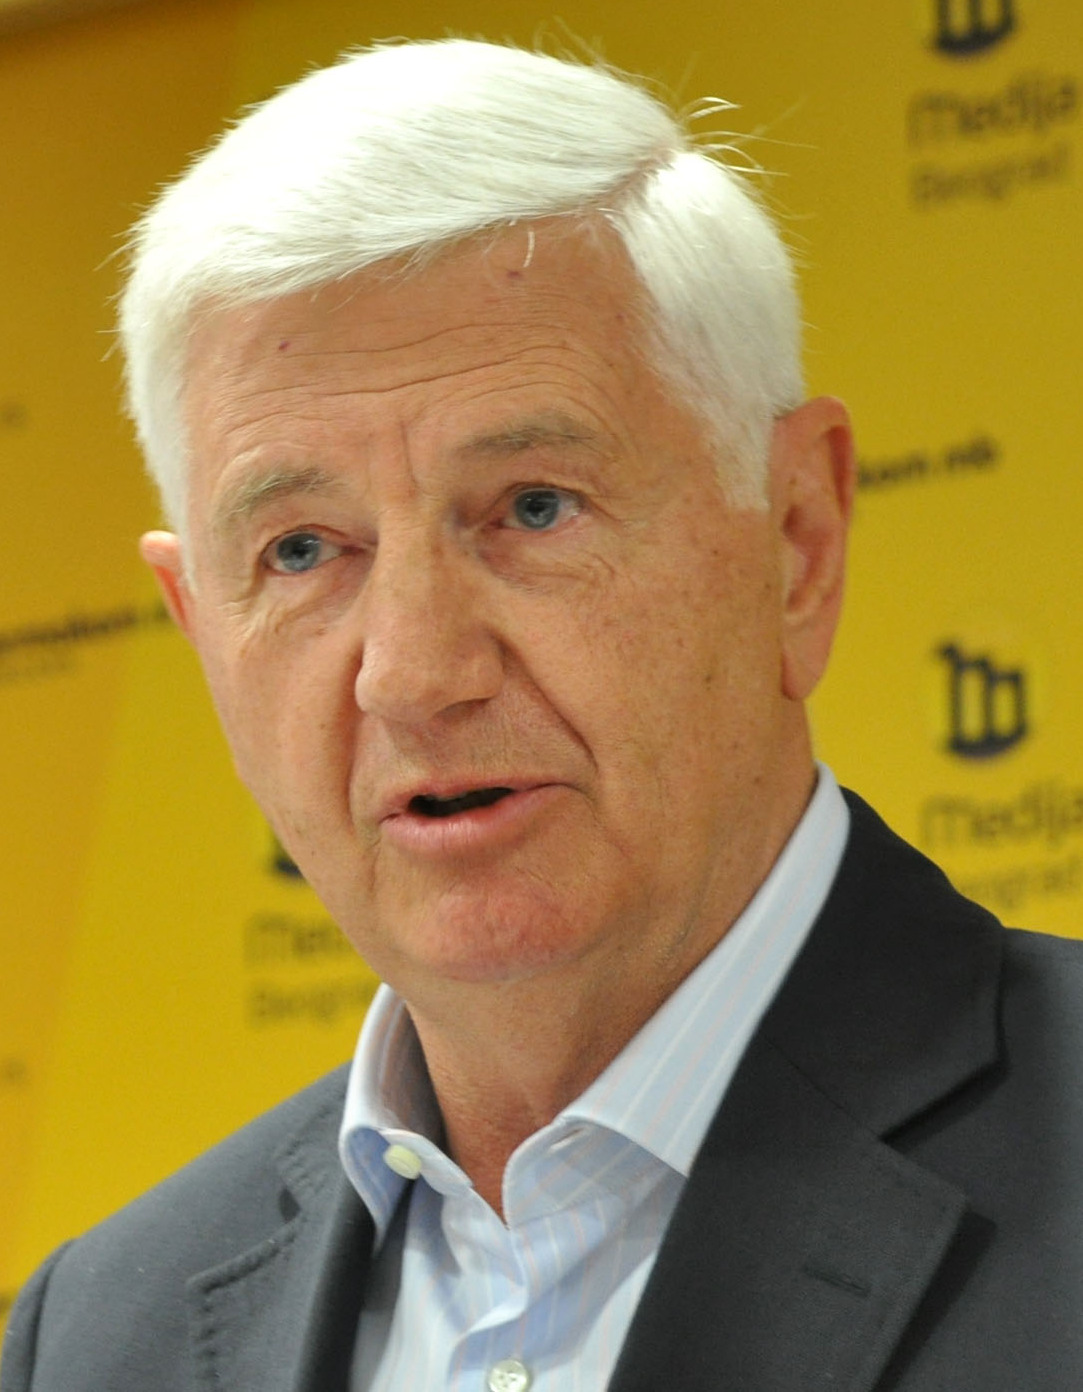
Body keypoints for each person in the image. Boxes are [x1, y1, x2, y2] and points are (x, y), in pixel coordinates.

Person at [4, 38, 1083, 1392]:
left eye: (533, 508)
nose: (414, 672)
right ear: (199, 625)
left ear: (796, 540)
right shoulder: (93, 1340)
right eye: (301, 550)